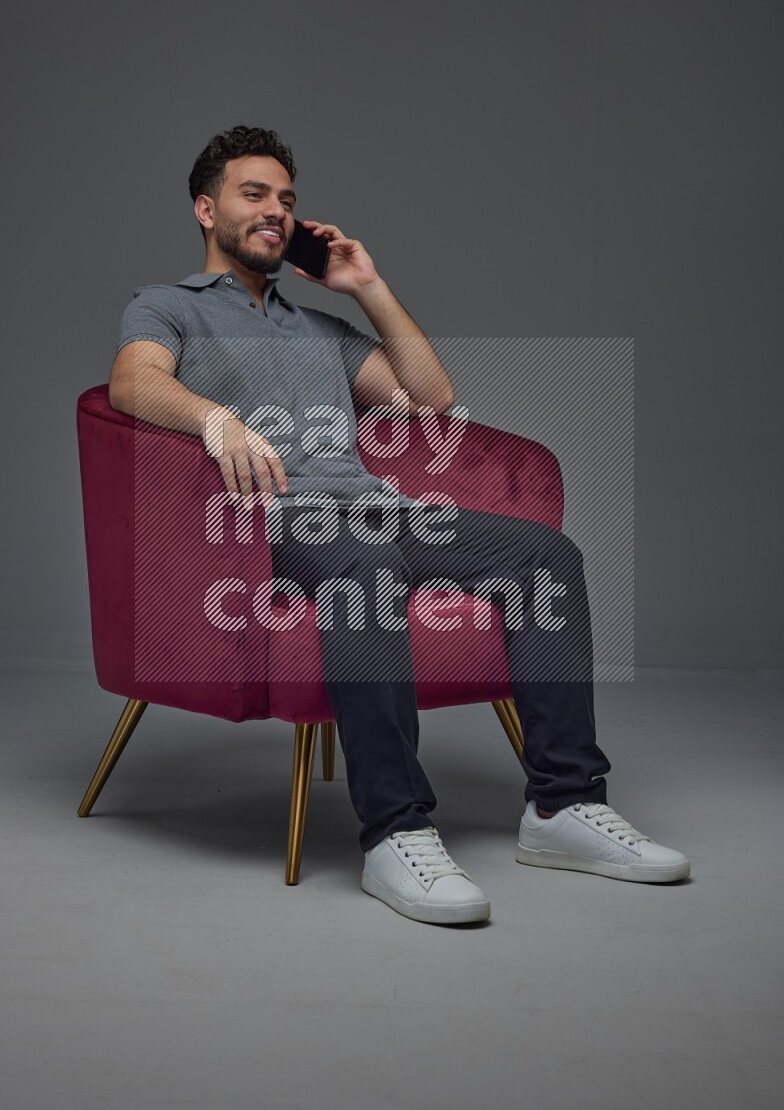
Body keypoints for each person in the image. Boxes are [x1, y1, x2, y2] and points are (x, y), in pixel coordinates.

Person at [109, 125, 691, 926]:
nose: (275, 211)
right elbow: (133, 383)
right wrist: (213, 419)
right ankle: (396, 830)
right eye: (254, 195)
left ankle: (562, 807)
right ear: (205, 209)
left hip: (381, 511)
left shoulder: (318, 329)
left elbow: (431, 396)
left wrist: (365, 286)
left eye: (286, 199)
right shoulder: (166, 306)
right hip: (271, 523)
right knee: (364, 570)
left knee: (545, 557)